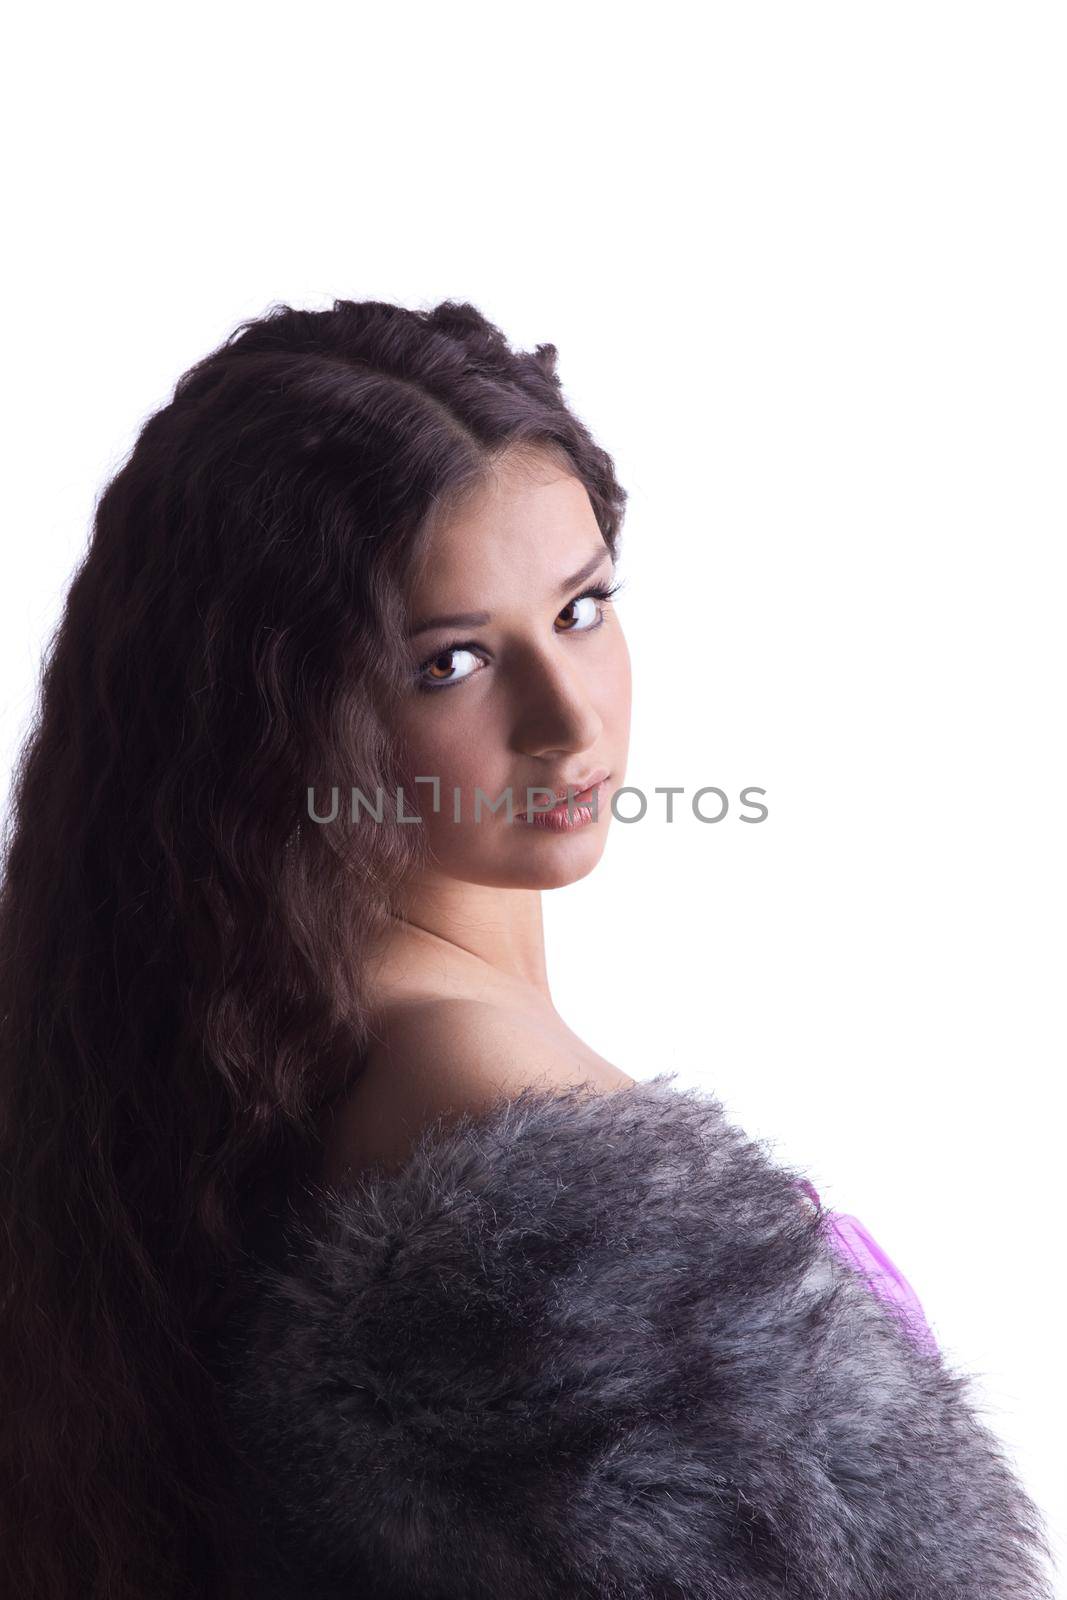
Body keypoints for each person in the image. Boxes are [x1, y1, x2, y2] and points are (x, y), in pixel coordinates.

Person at [0, 299, 1053, 1600]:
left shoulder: (244, 1033)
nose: (565, 719)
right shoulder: (483, 1102)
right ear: (285, 715)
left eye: (581, 608)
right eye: (448, 663)